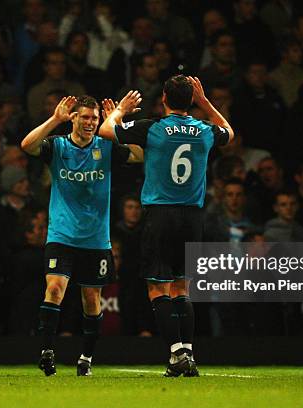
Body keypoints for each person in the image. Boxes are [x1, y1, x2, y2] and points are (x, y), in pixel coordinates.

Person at [99, 75, 233, 376]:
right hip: (192, 217)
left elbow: (106, 130)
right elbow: (230, 132)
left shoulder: (154, 128)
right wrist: (205, 102)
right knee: (182, 287)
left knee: (157, 288)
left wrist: (120, 109)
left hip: (161, 214)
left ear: (163, 98)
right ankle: (187, 352)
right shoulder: (204, 130)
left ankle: (175, 354)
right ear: (191, 100)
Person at [20, 95, 142, 376]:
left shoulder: (106, 147)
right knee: (54, 289)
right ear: (73, 117)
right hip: (62, 234)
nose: (90, 123)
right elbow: (27, 145)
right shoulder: (58, 145)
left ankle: (86, 357)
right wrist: (55, 119)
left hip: (96, 239)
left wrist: (119, 123)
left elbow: (141, 154)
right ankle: (47, 351)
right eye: (84, 117)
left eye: (95, 118)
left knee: (91, 300)